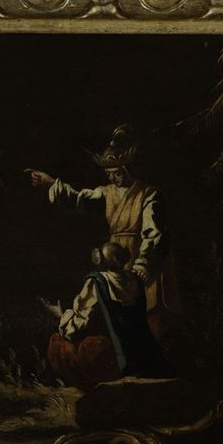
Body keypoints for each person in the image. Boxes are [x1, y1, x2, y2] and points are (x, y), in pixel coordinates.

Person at [26, 123, 180, 342]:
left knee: (145, 317)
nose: (112, 179)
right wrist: (51, 183)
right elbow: (79, 198)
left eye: (116, 173)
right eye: (108, 174)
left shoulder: (148, 194)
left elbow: (153, 233)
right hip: (115, 259)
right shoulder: (107, 193)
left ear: (128, 169)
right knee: (107, 301)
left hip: (140, 259)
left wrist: (144, 263)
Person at [43, 242, 169, 391]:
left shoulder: (97, 281)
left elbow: (77, 325)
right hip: (146, 357)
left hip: (120, 360)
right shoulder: (135, 279)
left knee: (58, 343)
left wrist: (60, 316)